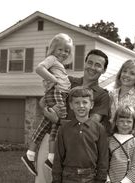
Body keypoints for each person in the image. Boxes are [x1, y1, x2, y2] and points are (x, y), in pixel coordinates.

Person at [35, 49, 111, 183]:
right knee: (43, 178)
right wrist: (47, 108)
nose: (92, 67)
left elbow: (89, 124)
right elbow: (43, 101)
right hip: (51, 137)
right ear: (85, 63)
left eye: (98, 65)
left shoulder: (102, 95)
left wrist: (57, 120)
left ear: (104, 70)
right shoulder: (68, 81)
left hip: (76, 145)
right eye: (90, 62)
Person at [21, 33, 73, 175]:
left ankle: (30, 154)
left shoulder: (59, 64)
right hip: (56, 93)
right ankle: (51, 158)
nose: (64, 53)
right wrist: (54, 80)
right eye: (60, 49)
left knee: (47, 123)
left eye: (67, 51)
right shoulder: (52, 59)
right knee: (58, 120)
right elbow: (39, 68)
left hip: (58, 93)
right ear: (53, 49)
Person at [52, 86, 109, 183]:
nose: (81, 106)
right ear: (71, 105)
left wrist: (101, 178)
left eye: (85, 102)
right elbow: (58, 156)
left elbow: (103, 156)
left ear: (91, 105)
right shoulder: (64, 129)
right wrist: (56, 178)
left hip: (91, 176)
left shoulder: (99, 128)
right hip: (68, 176)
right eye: (77, 103)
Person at [107, 106, 135, 183]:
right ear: (116, 122)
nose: (125, 124)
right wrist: (107, 179)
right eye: (121, 121)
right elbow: (103, 163)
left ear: (134, 123)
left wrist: (124, 182)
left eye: (129, 121)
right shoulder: (108, 141)